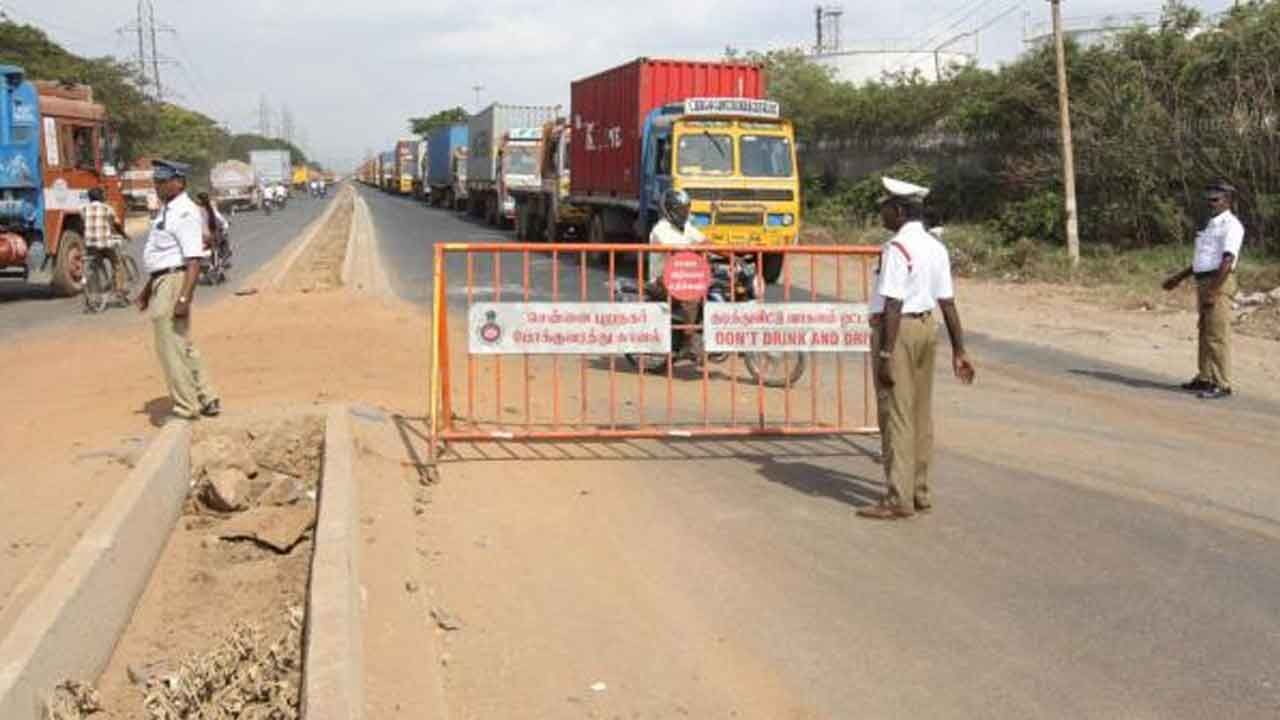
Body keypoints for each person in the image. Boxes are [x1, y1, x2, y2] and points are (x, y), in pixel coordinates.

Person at [859, 177, 975, 521]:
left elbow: (892, 304)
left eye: (884, 208)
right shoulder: (935, 247)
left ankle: (898, 499)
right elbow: (948, 303)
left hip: (898, 332)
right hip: (928, 329)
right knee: (921, 415)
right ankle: (919, 491)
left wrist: (884, 356)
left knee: (896, 413)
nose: (881, 215)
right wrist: (959, 349)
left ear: (898, 211)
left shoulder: (897, 249)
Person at [137, 160, 221, 420]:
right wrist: (148, 288)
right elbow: (165, 257)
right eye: (156, 181)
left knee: (169, 348)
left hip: (175, 284)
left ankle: (187, 406)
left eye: (162, 181)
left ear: (178, 182)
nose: (157, 185)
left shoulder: (184, 212)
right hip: (165, 280)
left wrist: (184, 298)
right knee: (182, 344)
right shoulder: (168, 210)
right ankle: (207, 396)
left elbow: (192, 261)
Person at [1162, 181, 1245, 400]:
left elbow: (1227, 260)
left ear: (1228, 201)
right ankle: (1205, 377)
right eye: (1209, 198)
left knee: (1217, 334)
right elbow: (1203, 259)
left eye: (1216, 199)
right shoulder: (1211, 224)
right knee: (1205, 331)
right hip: (1204, 280)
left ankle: (1222, 383)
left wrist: (1214, 291)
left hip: (1219, 281)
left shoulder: (1232, 225)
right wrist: (1178, 278)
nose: (1211, 203)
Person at [648, 189, 707, 356]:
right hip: (663, 280)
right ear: (669, 210)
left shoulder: (686, 227)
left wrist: (733, 254)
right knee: (691, 294)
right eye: (680, 210)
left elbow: (705, 242)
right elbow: (677, 251)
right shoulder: (661, 229)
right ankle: (688, 341)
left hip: (684, 275)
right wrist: (696, 251)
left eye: (686, 209)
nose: (684, 213)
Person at [82, 187, 130, 302]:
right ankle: (120, 291)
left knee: (95, 263)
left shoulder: (83, 209)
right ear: (101, 197)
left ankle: (97, 289)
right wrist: (124, 235)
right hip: (105, 243)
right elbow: (117, 224)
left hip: (90, 244)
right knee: (117, 264)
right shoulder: (107, 209)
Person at [195, 191, 232, 266]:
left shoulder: (194, 209)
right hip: (209, 235)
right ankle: (223, 260)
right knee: (222, 239)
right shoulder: (209, 209)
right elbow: (220, 219)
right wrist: (225, 224)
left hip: (199, 235)